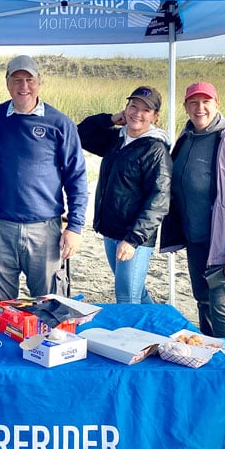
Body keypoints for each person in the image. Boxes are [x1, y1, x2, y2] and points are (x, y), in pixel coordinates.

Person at [160, 81, 225, 337]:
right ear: (185, 107)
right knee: (203, 301)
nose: (200, 108)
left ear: (217, 104)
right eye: (194, 103)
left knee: (221, 305)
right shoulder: (186, 137)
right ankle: (211, 362)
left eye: (206, 102)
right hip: (196, 241)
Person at [0, 55, 88, 300]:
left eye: (29, 79)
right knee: (3, 306)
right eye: (17, 79)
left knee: (50, 306)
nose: (23, 86)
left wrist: (75, 227)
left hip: (45, 230)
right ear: (7, 83)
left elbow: (77, 177)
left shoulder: (60, 123)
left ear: (40, 82)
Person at [78, 85, 173, 304]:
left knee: (126, 299)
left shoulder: (155, 150)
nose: (137, 113)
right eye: (133, 106)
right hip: (111, 231)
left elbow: (158, 201)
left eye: (145, 110)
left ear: (155, 117)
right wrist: (112, 119)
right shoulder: (117, 139)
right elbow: (82, 132)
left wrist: (132, 240)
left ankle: (138, 338)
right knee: (136, 293)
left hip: (134, 238)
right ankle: (161, 331)